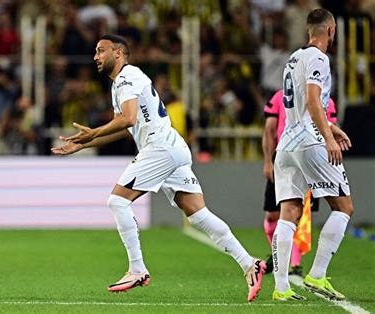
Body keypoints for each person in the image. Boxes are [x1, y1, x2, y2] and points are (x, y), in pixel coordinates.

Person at [51, 34, 266, 302]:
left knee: (117, 201)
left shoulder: (127, 76)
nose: (95, 56)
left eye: (101, 51)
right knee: (198, 214)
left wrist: (93, 133)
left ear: (118, 53)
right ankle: (249, 264)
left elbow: (127, 118)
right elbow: (127, 126)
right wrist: (85, 144)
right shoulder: (121, 84)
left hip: (159, 148)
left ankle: (137, 269)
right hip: (172, 147)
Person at [272, 9, 353, 301]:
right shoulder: (319, 58)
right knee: (343, 207)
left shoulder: (293, 58)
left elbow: (300, 107)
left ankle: (281, 288)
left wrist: (332, 126)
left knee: (289, 212)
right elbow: (314, 100)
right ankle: (317, 275)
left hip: (286, 144)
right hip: (309, 141)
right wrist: (328, 137)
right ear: (330, 30)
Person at [262, 89, 337, 277]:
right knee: (273, 214)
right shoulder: (281, 96)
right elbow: (269, 129)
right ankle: (278, 254)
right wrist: (268, 161)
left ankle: (294, 264)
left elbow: (330, 130)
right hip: (284, 157)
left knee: (300, 214)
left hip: (311, 160)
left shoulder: (326, 100)